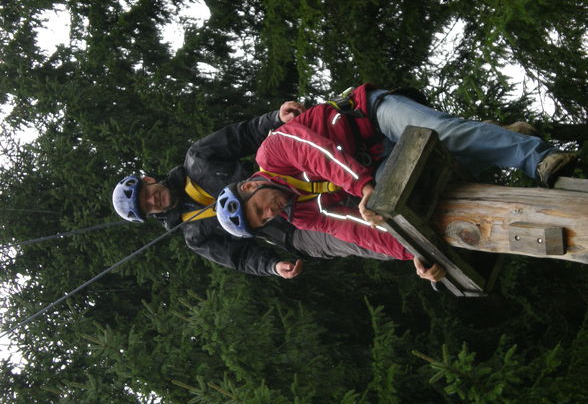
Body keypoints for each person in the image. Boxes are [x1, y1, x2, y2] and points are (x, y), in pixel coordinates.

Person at [215, 83, 577, 281]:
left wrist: (363, 187)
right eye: (264, 220)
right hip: (383, 165)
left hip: (371, 116)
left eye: (260, 208)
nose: (270, 212)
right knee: (429, 188)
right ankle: (495, 136)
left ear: (249, 187)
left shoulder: (271, 152)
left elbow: (319, 153)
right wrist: (417, 252)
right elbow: (357, 230)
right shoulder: (302, 216)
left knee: (442, 133)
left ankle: (538, 159)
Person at [112, 101, 391, 279]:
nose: (152, 201)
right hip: (294, 232)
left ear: (148, 180)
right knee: (356, 239)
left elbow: (243, 136)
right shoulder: (194, 235)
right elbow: (240, 257)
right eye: (147, 208)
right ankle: (414, 246)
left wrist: (275, 118)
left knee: (346, 168)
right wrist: (272, 266)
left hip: (286, 180)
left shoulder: (198, 158)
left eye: (145, 195)